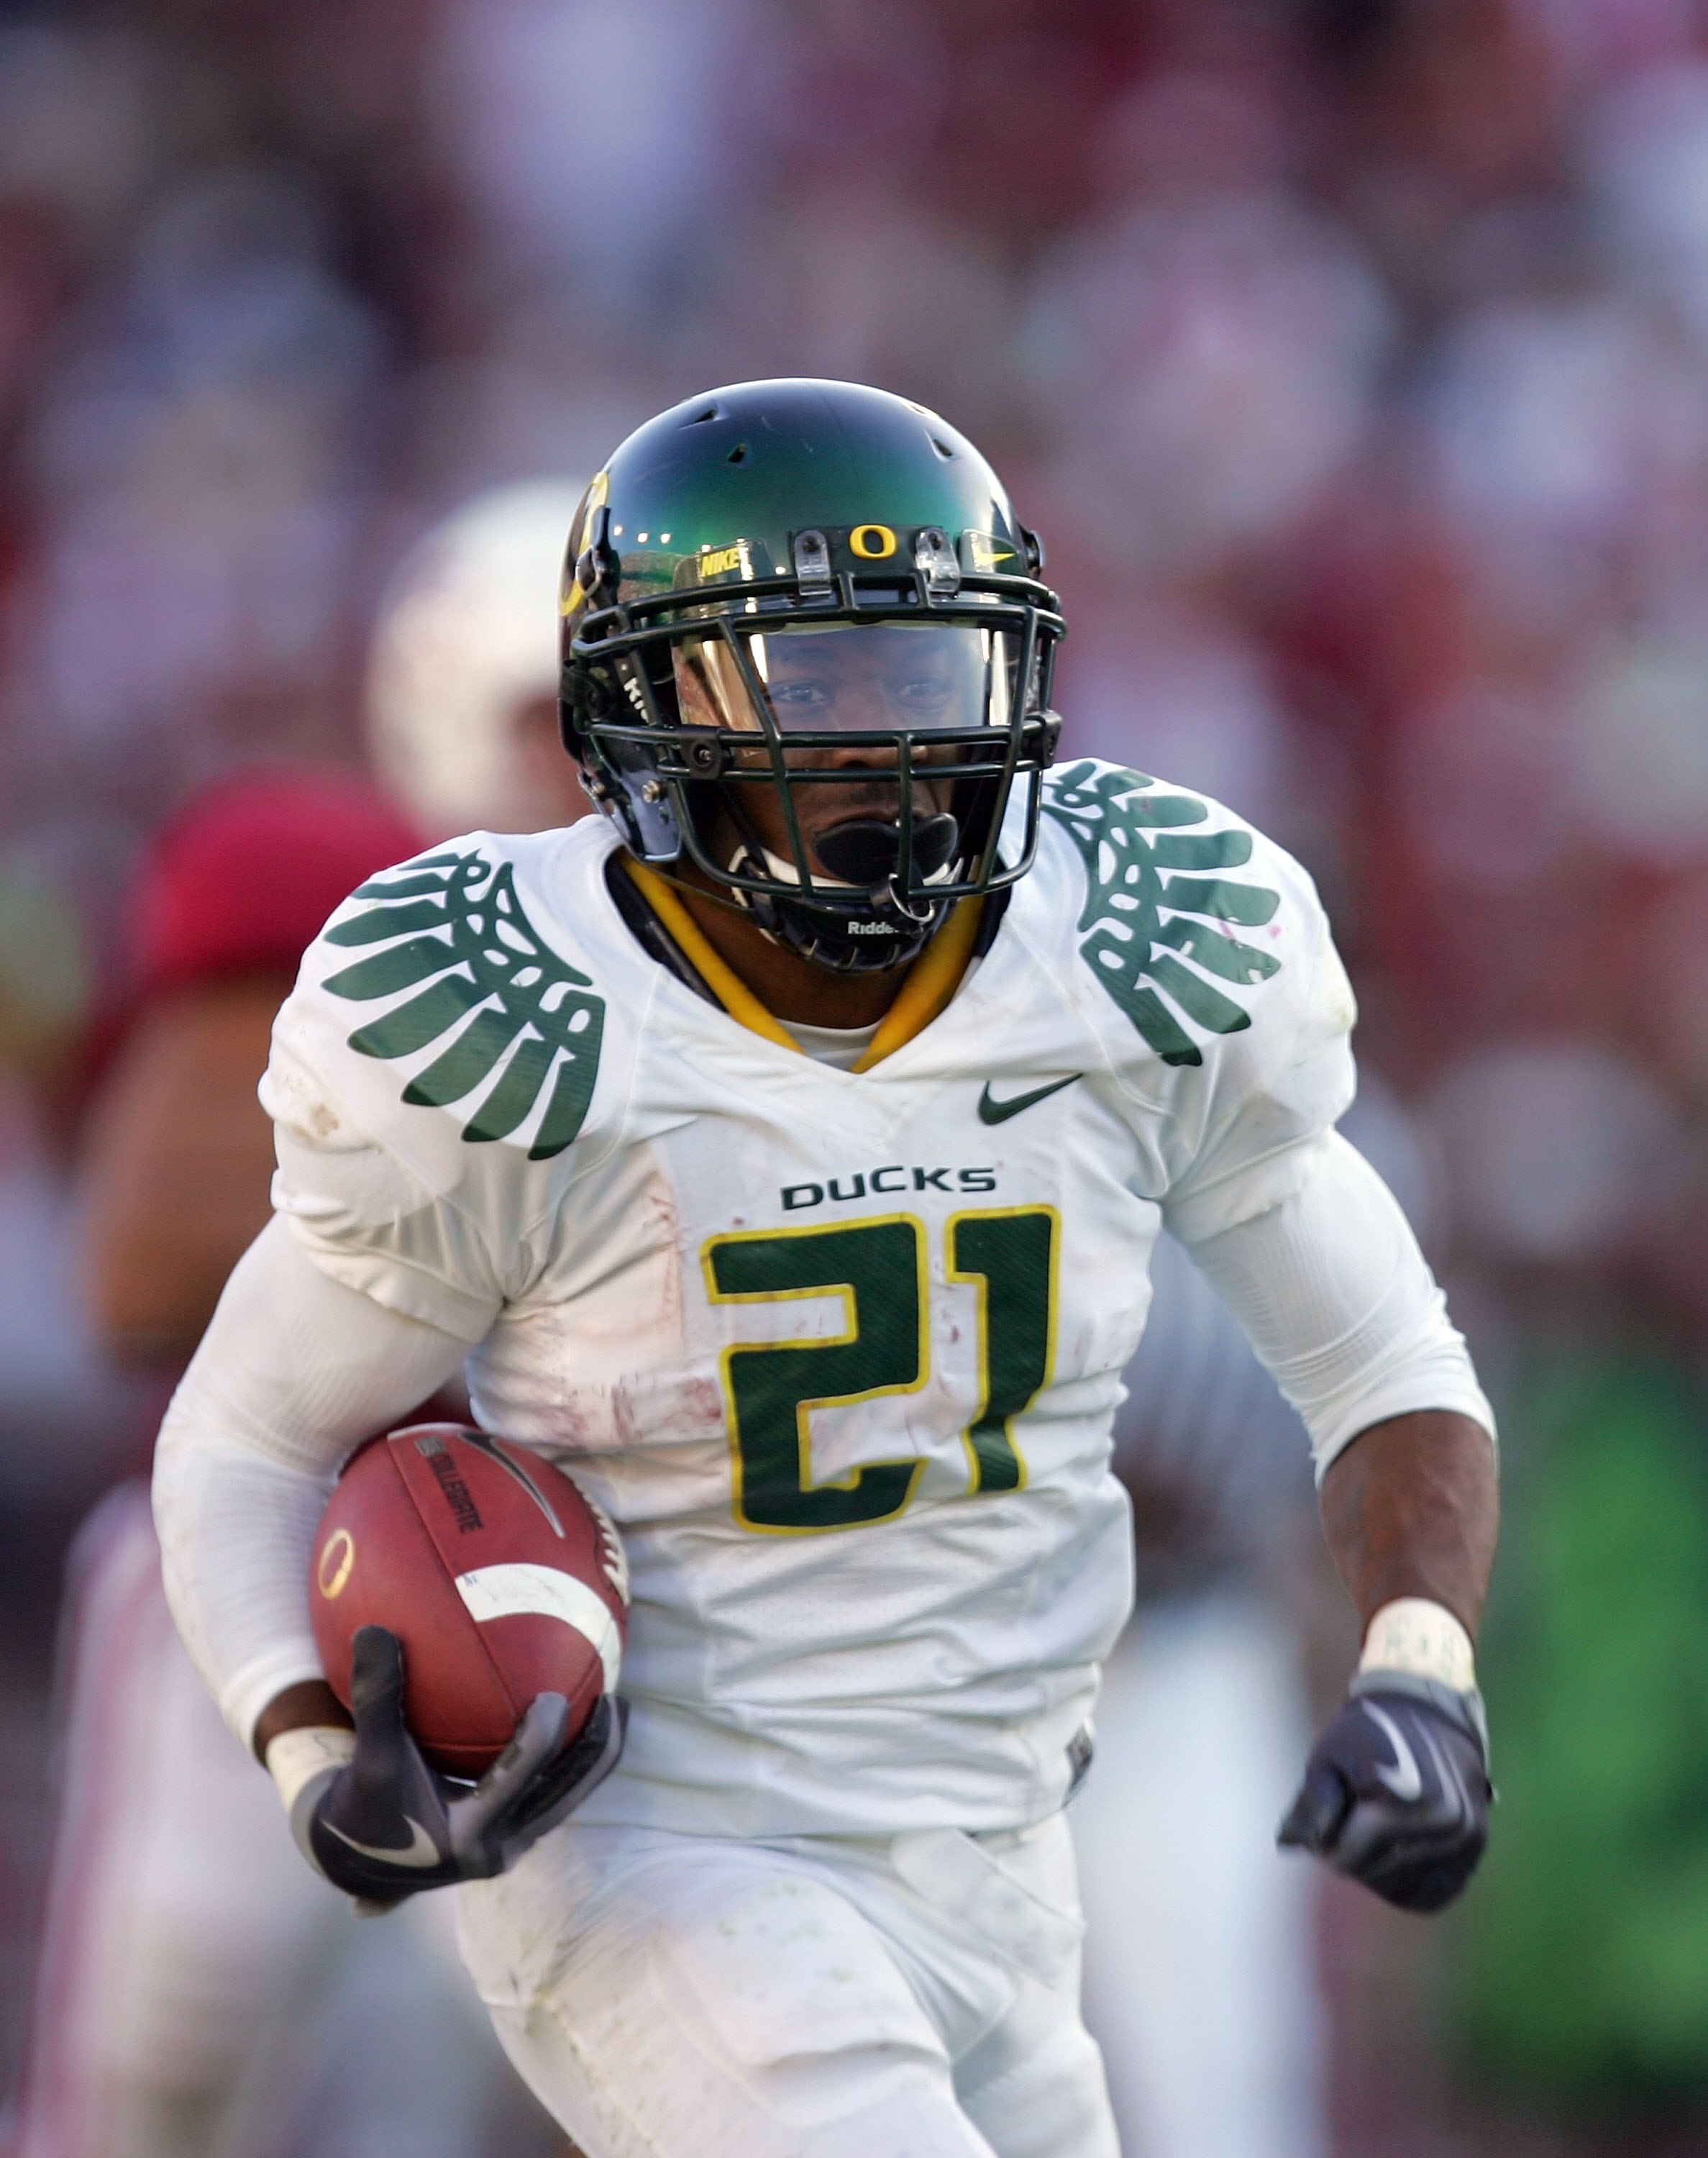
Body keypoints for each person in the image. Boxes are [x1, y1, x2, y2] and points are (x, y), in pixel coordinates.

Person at [153, 378, 1499, 2158]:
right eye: (816, 682)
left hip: (1004, 1855)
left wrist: (1420, 1667)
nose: (888, 742)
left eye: (928, 670)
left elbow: (1384, 1359)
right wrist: (311, 1753)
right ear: (642, 710)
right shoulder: (517, 1012)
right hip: (661, 1849)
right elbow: (246, 1436)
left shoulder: (1126, 942)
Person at [9, 482, 585, 2158]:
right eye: (559, 716)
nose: (610, 761)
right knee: (152, 2111)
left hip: (559, 1628)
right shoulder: (329, 905)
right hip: (273, 1596)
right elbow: (134, 1275)